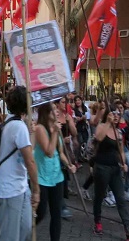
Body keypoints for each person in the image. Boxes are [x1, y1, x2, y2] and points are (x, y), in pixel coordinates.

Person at [0, 85, 40, 241]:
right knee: (9, 235)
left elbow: (28, 150)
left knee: (25, 227)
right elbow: (30, 160)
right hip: (9, 187)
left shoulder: (15, 123)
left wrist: (31, 132)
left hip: (20, 185)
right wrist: (37, 190)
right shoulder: (18, 126)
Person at [91, 105, 129, 240]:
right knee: (99, 196)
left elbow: (120, 149)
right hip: (101, 167)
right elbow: (98, 138)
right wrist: (108, 123)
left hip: (115, 168)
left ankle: (128, 229)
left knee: (121, 199)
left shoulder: (119, 132)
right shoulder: (102, 126)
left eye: (117, 114)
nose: (116, 116)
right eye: (113, 113)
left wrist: (123, 162)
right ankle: (97, 221)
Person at [34, 102, 76, 241]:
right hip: (42, 177)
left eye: (56, 109)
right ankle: (25, 231)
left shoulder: (56, 128)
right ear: (46, 113)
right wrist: (55, 132)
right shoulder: (40, 128)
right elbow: (49, 152)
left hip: (57, 176)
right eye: (53, 110)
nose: (57, 112)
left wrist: (69, 164)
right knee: (41, 212)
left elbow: (60, 152)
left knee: (56, 214)